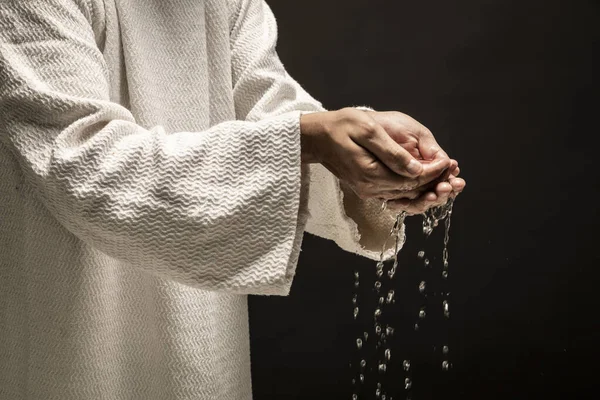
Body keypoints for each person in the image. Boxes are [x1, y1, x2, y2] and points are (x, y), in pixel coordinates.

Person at [0, 0, 465, 399]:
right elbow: (85, 166)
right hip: (66, 315)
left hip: (200, 325)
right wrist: (312, 140)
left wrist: (372, 167)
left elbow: (273, 109)